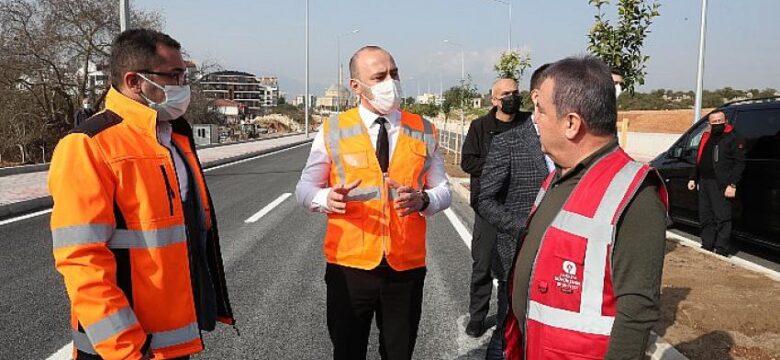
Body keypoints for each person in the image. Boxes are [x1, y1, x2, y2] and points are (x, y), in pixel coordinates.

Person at [49, 29, 235, 360]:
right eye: (175, 75)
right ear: (135, 81)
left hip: (172, 343)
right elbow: (82, 262)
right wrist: (126, 350)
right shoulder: (88, 146)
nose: (184, 85)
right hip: (123, 350)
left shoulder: (173, 138)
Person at [504, 56, 669, 360]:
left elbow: (637, 312)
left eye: (541, 110)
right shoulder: (559, 177)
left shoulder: (634, 196)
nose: (535, 118)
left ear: (571, 123)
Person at [295, 45, 451, 360]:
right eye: (379, 77)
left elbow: (444, 190)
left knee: (399, 353)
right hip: (350, 267)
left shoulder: (423, 129)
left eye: (393, 73)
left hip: (405, 267)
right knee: (348, 351)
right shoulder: (333, 129)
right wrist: (326, 198)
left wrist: (424, 200)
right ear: (356, 86)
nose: (390, 83)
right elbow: (303, 189)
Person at [477, 76, 550, 359]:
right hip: (517, 250)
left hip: (557, 254)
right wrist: (524, 228)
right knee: (509, 328)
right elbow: (485, 200)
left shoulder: (572, 141)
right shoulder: (509, 141)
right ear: (537, 96)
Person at [460, 78, 531, 338]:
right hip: (489, 207)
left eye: (515, 93)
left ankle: (509, 317)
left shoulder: (529, 124)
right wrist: (500, 168)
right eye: (505, 94)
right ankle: (477, 317)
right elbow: (468, 162)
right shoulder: (480, 127)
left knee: (515, 267)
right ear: (494, 100)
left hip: (521, 207)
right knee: (483, 265)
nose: (511, 97)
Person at [687, 110, 746, 256]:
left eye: (720, 121)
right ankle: (707, 245)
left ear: (726, 121)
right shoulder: (706, 136)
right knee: (706, 216)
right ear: (710, 123)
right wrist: (693, 178)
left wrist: (732, 184)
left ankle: (721, 249)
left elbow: (740, 163)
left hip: (722, 183)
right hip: (704, 182)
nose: (717, 124)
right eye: (714, 122)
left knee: (722, 217)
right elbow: (699, 159)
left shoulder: (734, 137)